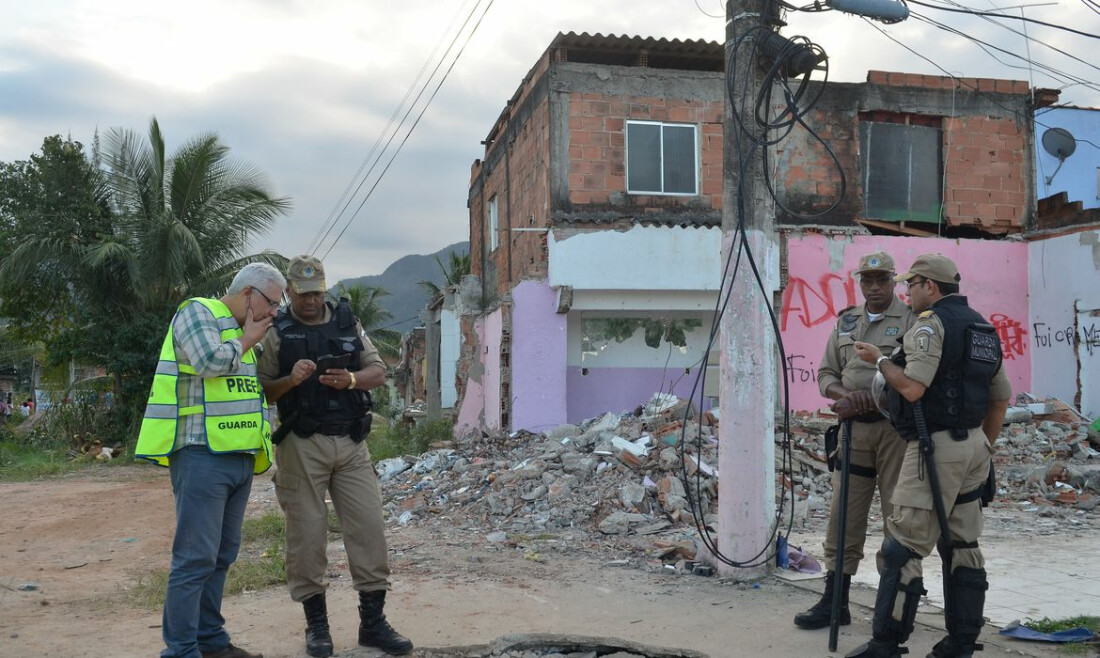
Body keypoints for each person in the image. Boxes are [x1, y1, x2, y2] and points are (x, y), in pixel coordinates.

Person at [847, 254, 1011, 658]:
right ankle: (961, 642)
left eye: (912, 284)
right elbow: (1000, 398)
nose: (907, 291)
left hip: (935, 446)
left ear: (931, 287)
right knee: (963, 545)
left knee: (902, 546)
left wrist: (881, 360)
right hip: (974, 445)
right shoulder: (983, 327)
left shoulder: (929, 324)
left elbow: (914, 388)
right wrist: (984, 448)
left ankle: (886, 642)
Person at [257, 255, 412, 658]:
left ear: (325, 288)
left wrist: (351, 379)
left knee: (369, 529)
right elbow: (261, 390)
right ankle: (317, 628)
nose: (311, 301)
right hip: (301, 446)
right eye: (303, 294)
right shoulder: (278, 331)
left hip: (352, 442)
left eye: (317, 292)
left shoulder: (348, 323)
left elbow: (378, 372)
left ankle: (373, 625)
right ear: (290, 291)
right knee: (306, 536)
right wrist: (290, 381)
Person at [135, 262, 285, 658]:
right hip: (201, 454)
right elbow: (208, 363)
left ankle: (210, 640)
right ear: (249, 293)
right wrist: (248, 340)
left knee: (221, 554)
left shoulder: (243, 333)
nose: (274, 312)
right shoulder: (197, 311)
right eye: (271, 302)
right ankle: (181, 649)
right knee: (194, 557)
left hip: (238, 457)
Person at [793, 251, 915, 630]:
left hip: (895, 430)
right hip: (853, 429)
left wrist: (877, 394)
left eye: (882, 280)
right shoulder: (847, 321)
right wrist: (843, 396)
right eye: (868, 280)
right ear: (860, 282)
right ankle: (835, 602)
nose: (875, 287)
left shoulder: (912, 321)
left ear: (894, 282)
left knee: (899, 515)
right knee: (843, 515)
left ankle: (891, 610)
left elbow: (917, 377)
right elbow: (826, 374)